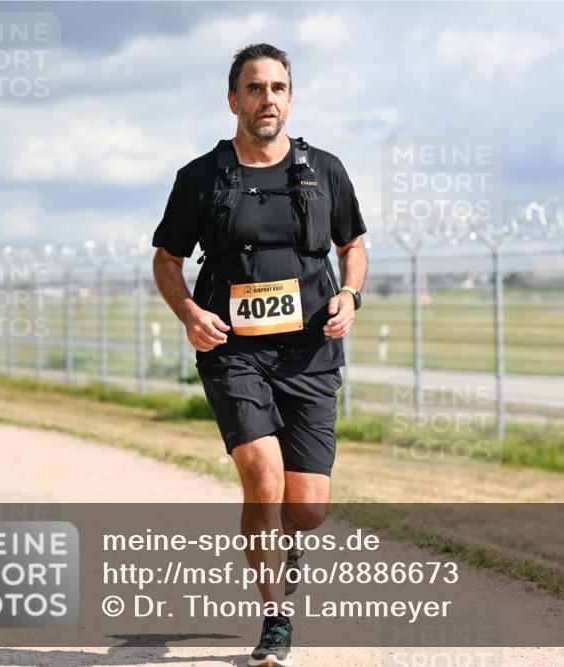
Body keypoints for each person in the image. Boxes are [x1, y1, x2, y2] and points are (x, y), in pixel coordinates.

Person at [151, 43, 367, 667]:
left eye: (277, 87)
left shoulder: (324, 169)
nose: (266, 98)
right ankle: (275, 619)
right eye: (254, 88)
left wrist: (350, 295)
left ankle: (286, 548)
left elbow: (353, 243)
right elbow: (167, 262)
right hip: (232, 353)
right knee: (262, 480)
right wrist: (190, 314)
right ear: (233, 100)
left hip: (309, 354)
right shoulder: (200, 178)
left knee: (307, 506)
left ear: (289, 98)